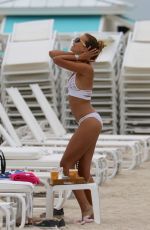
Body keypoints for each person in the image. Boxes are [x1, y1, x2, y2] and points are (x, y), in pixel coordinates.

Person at [49, 33, 105, 225]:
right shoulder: (80, 64)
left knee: (66, 164)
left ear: (86, 49)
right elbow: (52, 52)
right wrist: (77, 55)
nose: (72, 42)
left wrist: (79, 58)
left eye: (76, 41)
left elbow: (56, 59)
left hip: (89, 121)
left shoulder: (84, 68)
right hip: (89, 121)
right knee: (82, 169)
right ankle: (91, 211)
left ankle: (86, 209)